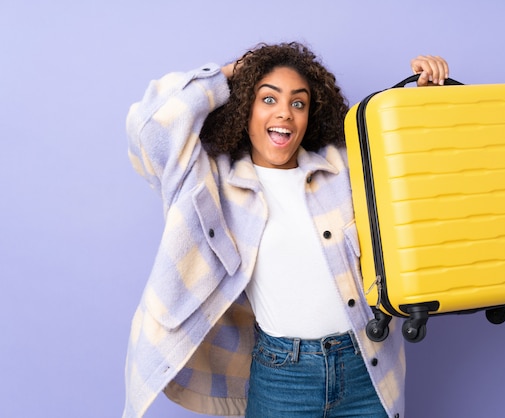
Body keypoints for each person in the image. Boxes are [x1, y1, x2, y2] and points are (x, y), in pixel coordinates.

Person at [123, 41, 449, 418]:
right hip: (282, 377)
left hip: (368, 366)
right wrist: (228, 73)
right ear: (244, 106)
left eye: (298, 103)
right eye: (268, 99)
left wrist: (425, 104)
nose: (285, 114)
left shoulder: (343, 166)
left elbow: (417, 179)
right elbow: (150, 128)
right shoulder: (213, 182)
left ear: (311, 115)